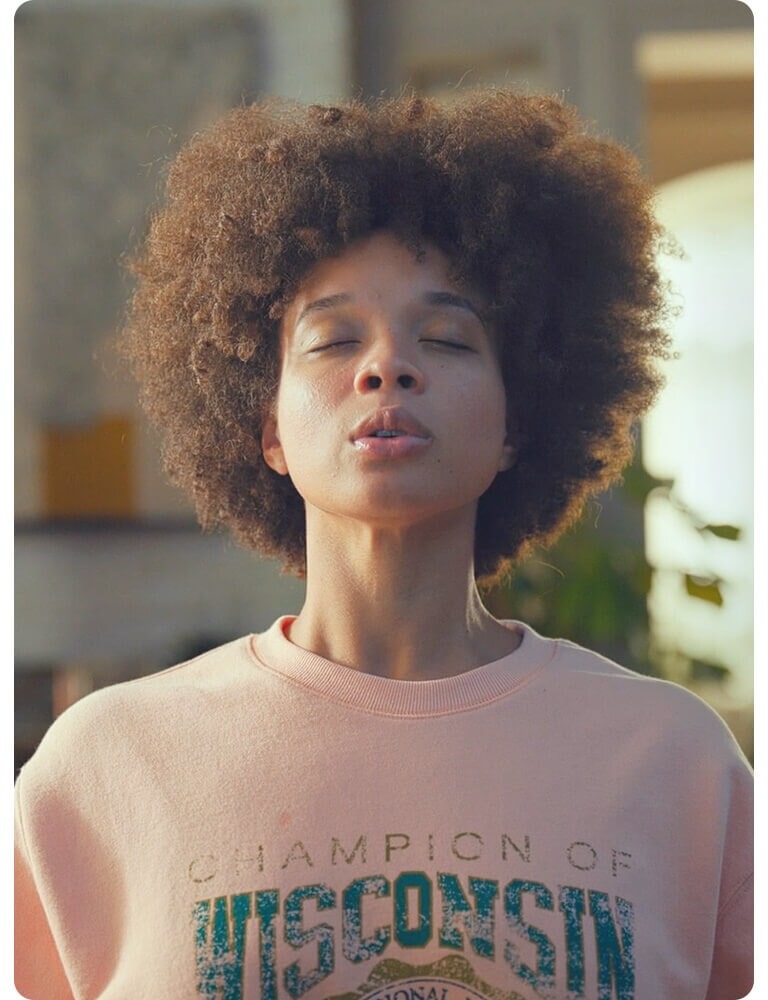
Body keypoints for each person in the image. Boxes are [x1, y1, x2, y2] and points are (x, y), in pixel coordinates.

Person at [15, 92, 752, 1000]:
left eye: (445, 338)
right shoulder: (107, 765)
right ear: (267, 428)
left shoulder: (676, 762)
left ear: (521, 421)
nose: (387, 366)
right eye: (331, 340)